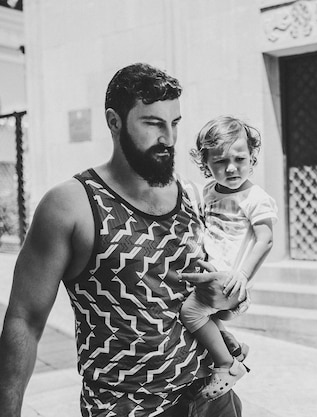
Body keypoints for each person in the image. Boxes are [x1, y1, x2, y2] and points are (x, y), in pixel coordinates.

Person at [0, 63, 243, 416]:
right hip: (126, 407)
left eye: (174, 123)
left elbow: (202, 296)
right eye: (153, 123)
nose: (169, 138)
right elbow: (24, 319)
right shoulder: (71, 205)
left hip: (210, 398)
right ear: (115, 121)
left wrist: (230, 298)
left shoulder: (190, 194)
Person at [180, 116, 277, 400]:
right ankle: (232, 346)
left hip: (231, 283)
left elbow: (266, 239)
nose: (231, 167)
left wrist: (243, 276)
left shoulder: (255, 198)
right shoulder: (208, 192)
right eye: (220, 161)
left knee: (190, 313)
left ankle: (227, 364)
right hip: (213, 279)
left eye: (239, 158)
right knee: (201, 312)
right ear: (206, 164)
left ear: (252, 157)